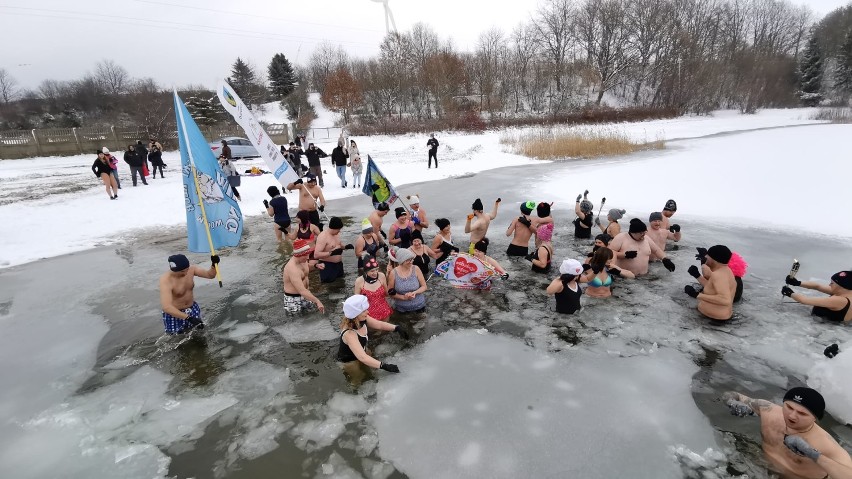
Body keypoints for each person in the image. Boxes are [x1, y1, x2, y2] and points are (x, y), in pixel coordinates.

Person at [721, 387, 852, 479]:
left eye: (802, 413)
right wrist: (734, 403)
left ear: (815, 418)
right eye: (789, 407)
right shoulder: (769, 411)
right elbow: (731, 394)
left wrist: (811, 453)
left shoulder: (825, 443)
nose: (792, 416)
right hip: (761, 468)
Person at [337, 295, 405, 377]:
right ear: (355, 315)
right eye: (364, 311)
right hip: (350, 361)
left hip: (363, 351)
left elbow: (379, 324)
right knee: (358, 379)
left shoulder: (362, 318)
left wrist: (396, 328)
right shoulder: (349, 333)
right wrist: (384, 366)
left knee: (371, 369)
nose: (368, 312)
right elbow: (362, 358)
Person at [159, 253, 219, 334]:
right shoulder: (165, 280)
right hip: (175, 314)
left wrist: (214, 264)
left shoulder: (191, 269)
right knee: (176, 340)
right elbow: (166, 307)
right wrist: (188, 318)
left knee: (199, 333)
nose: (187, 272)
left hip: (192, 309)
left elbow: (210, 275)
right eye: (183, 271)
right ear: (174, 270)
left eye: (188, 269)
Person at [684, 245, 736, 321]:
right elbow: (713, 288)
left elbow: (725, 300)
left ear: (714, 259)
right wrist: (697, 275)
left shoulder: (718, 275)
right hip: (718, 318)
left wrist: (697, 295)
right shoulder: (726, 271)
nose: (705, 256)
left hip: (712, 320)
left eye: (708, 255)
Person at [608, 218, 676, 276]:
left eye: (644, 232)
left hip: (644, 278)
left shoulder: (646, 238)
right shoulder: (621, 237)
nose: (643, 235)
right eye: (641, 233)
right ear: (633, 232)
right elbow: (609, 253)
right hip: (625, 278)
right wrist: (624, 255)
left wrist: (665, 259)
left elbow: (656, 250)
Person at [783, 270, 852, 323]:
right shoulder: (846, 292)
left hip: (827, 330)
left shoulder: (840, 300)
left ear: (841, 286)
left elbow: (804, 300)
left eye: (832, 283)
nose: (829, 285)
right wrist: (797, 283)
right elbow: (817, 286)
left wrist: (790, 293)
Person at [282, 239, 325, 313]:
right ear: (298, 255)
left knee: (312, 316)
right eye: (306, 255)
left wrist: (316, 265)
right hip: (293, 299)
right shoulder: (292, 268)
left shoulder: (303, 261)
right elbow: (301, 291)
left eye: (308, 254)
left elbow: (306, 266)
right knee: (297, 322)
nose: (308, 258)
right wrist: (317, 301)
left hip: (306, 294)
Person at [314, 217, 353, 283]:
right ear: (334, 228)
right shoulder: (323, 236)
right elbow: (316, 255)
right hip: (327, 266)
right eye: (339, 229)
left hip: (339, 265)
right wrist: (331, 253)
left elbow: (339, 245)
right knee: (330, 287)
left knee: (341, 284)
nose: (339, 231)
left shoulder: (336, 234)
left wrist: (346, 247)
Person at [387, 248, 427, 313]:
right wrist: (403, 297)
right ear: (401, 261)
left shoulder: (416, 268)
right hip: (401, 309)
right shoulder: (393, 273)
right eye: (408, 260)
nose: (411, 262)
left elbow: (424, 287)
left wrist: (415, 292)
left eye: (411, 259)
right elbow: (390, 292)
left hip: (419, 306)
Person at [353, 257, 393, 321]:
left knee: (386, 329)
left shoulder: (381, 276)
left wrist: (391, 292)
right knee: (373, 331)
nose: (375, 273)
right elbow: (356, 301)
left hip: (384, 310)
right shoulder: (359, 281)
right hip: (369, 313)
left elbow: (386, 294)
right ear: (366, 271)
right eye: (372, 271)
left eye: (377, 269)